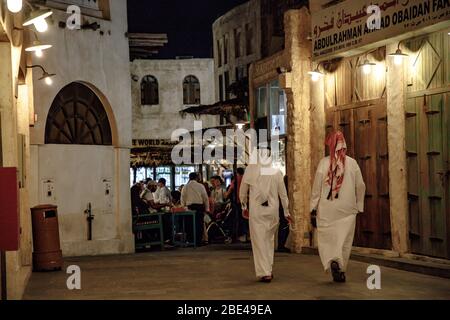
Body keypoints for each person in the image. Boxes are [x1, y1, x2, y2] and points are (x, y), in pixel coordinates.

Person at [310, 130, 366, 283]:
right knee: (345, 239)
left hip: (327, 208)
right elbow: (360, 186)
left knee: (328, 236)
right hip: (347, 208)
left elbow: (316, 189)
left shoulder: (323, 163)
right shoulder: (352, 163)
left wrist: (312, 208)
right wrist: (359, 205)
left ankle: (332, 259)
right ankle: (340, 267)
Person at [240, 148, 291, 283]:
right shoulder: (276, 173)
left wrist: (244, 206)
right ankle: (268, 269)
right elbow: (283, 195)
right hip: (272, 211)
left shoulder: (250, 172)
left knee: (259, 242)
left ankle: (265, 272)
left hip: (257, 211)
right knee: (269, 240)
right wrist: (286, 212)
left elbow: (242, 193)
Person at [181, 172, 210, 247]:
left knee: (190, 225)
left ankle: (191, 241)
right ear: (197, 178)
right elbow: (205, 198)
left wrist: (183, 207)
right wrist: (207, 208)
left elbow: (182, 198)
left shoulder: (185, 187)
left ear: (189, 178)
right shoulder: (200, 186)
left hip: (189, 208)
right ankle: (198, 241)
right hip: (199, 207)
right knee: (199, 224)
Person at [226, 167, 248, 243]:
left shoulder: (235, 180)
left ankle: (239, 235)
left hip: (237, 202)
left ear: (236, 172)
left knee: (237, 218)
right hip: (246, 202)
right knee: (245, 218)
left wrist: (226, 195)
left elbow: (229, 191)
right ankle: (246, 235)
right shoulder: (246, 179)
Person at [277, 175, 290, 253]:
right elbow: (284, 197)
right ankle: (281, 245)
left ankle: (281, 245)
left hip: (281, 208)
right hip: (283, 208)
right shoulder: (285, 188)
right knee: (284, 226)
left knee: (283, 225)